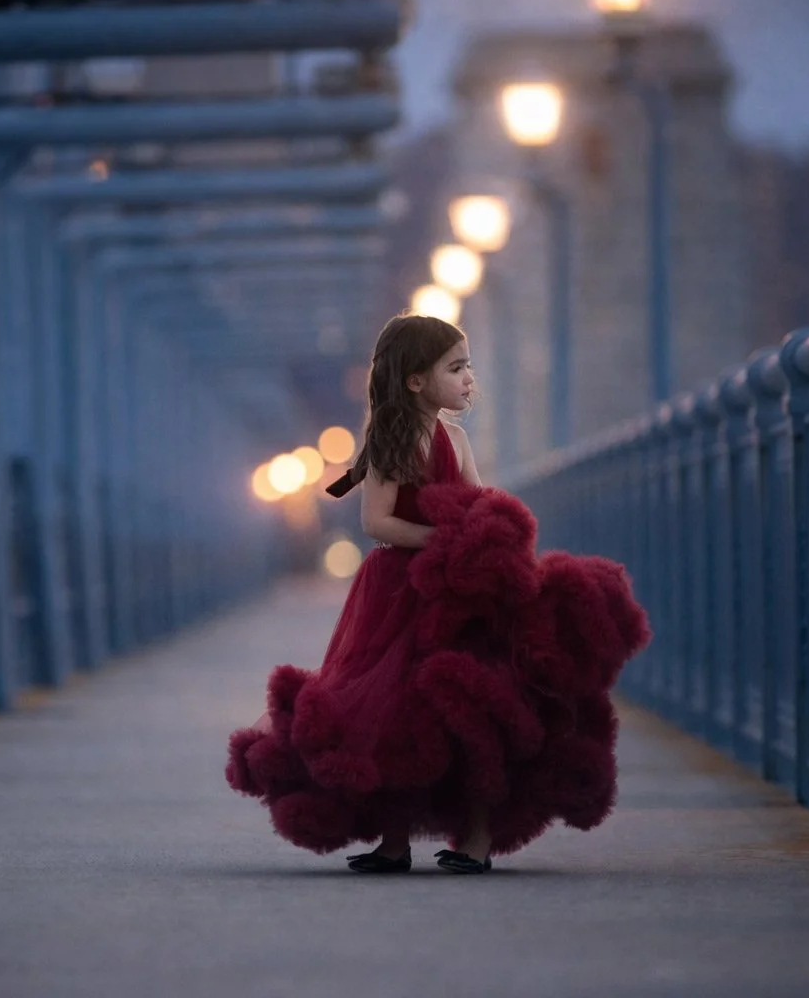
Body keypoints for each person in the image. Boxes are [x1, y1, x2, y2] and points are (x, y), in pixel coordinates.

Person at [226, 312, 650, 875]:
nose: (470, 377)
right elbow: (377, 522)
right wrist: (442, 541)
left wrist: (487, 544)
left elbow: (475, 502)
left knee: (470, 712)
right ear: (415, 381)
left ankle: (475, 841)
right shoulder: (391, 442)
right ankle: (394, 841)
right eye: (456, 367)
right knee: (396, 711)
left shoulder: (455, 437)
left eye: (469, 365)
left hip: (456, 597)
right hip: (399, 592)